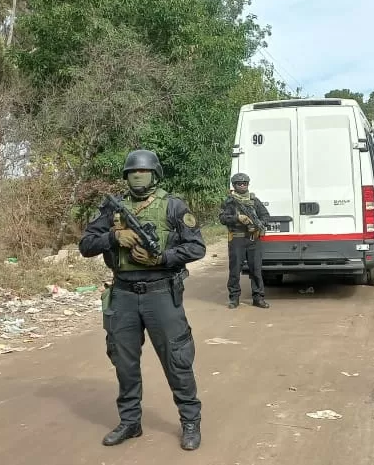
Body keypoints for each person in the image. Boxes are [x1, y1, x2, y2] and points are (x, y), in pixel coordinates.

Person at [78, 149, 206, 451]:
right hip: (122, 295)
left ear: (155, 174)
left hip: (161, 293)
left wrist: (162, 258)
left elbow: (196, 247)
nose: (137, 175)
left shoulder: (173, 206)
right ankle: (130, 421)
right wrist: (113, 238)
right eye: (132, 172)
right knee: (124, 361)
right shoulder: (114, 209)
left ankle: (190, 421)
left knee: (177, 360)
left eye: (144, 171)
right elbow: (85, 245)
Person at [218, 172, 271, 309]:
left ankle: (258, 298)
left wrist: (259, 224)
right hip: (237, 239)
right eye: (239, 184)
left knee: (256, 270)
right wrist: (237, 218)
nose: (242, 186)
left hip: (253, 239)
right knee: (235, 270)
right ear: (234, 185)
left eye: (245, 183)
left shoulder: (254, 201)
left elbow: (265, 215)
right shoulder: (230, 202)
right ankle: (234, 298)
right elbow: (223, 218)